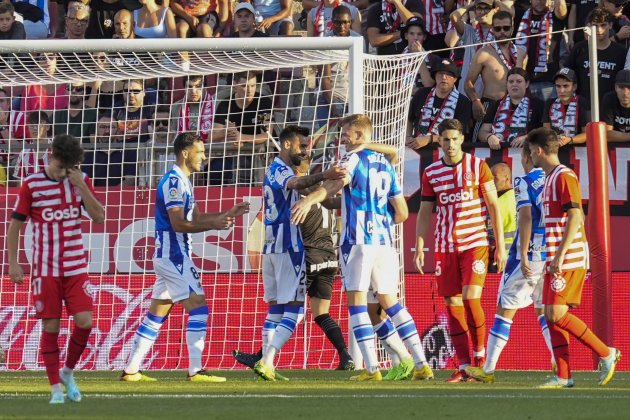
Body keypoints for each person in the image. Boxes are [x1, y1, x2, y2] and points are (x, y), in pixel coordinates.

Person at [291, 114, 434, 382]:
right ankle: (421, 363)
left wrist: (309, 200)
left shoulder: (352, 158)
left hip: (357, 241)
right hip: (384, 242)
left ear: (360, 136)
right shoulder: (386, 165)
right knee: (389, 302)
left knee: (356, 303)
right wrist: (373, 216)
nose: (342, 139)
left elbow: (333, 185)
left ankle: (371, 370)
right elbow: (402, 213)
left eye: (346, 134)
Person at [121, 132, 250, 382]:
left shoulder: (184, 180)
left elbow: (196, 218)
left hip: (171, 255)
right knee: (199, 308)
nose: (204, 156)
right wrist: (214, 226)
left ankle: (131, 370)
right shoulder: (173, 182)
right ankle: (195, 370)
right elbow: (179, 224)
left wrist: (225, 214)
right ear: (185, 153)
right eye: (200, 152)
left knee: (156, 315)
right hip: (174, 255)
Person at [233, 156, 355, 372]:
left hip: (307, 255)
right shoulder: (322, 191)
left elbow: (290, 220)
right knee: (321, 314)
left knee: (288, 308)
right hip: (328, 258)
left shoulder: (298, 193)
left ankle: (263, 358)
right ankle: (346, 355)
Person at [8, 134, 105, 403]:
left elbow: (99, 217)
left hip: (75, 267)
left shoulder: (80, 180)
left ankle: (68, 371)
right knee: (51, 327)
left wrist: (82, 188)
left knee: (85, 323)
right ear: (52, 157)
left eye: (70, 168)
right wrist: (14, 263)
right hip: (45, 270)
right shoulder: (32, 184)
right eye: (62, 167)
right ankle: (54, 390)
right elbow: (15, 226)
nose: (65, 173)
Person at [524, 127, 621, 388]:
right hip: (553, 256)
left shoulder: (564, 176)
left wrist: (561, 254)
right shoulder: (549, 178)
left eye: (531, 151)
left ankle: (606, 352)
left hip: (567, 257)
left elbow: (576, 216)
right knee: (550, 313)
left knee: (556, 313)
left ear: (540, 150)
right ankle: (564, 375)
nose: (530, 156)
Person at [251, 125, 347, 381]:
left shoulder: (272, 169)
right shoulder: (282, 171)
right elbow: (298, 182)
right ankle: (267, 361)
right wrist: (325, 174)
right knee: (295, 310)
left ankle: (264, 361)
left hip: (271, 248)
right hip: (289, 249)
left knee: (276, 309)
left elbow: (320, 196)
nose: (306, 151)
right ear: (286, 145)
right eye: (302, 146)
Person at [414, 118, 506, 383]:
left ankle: (479, 360)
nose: (450, 144)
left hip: (475, 243)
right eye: (445, 139)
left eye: (455, 139)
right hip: (445, 247)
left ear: (462, 139)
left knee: (470, 299)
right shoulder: (431, 172)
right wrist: (420, 246)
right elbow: (424, 213)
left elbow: (493, 207)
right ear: (440, 141)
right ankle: (464, 366)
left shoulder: (478, 167)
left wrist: (499, 246)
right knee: (452, 304)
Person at [466, 142, 556, 383]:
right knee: (543, 311)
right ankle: (558, 360)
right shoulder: (556, 178)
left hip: (523, 258)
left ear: (528, 157)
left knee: (504, 312)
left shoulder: (522, 184)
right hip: (549, 253)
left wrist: (520, 253)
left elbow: (524, 219)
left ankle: (488, 369)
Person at [465, 10, 527, 139]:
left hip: (514, 106)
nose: (502, 32)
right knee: (480, 143)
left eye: (506, 28)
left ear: (512, 28)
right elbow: (468, 83)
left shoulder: (521, 54)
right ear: (492, 29)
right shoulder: (483, 53)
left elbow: (524, 82)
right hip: (489, 105)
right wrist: (475, 100)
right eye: (498, 29)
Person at [214, 71, 273, 185]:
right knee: (217, 168)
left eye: (253, 85)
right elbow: (212, 137)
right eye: (244, 86)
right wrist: (226, 132)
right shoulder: (225, 104)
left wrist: (242, 137)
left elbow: (267, 135)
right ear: (235, 85)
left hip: (259, 151)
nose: (249, 90)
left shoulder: (263, 102)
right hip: (233, 152)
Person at [447, 0, 514, 95]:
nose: (482, 12)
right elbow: (453, 17)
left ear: (495, 10)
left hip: (490, 94)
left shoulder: (500, 31)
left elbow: (510, 15)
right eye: (479, 8)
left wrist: (495, 2)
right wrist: (471, 5)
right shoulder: (470, 31)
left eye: (487, 8)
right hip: (468, 92)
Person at [407, 58, 473, 149]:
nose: (444, 77)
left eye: (449, 75)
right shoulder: (422, 94)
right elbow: (409, 119)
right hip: (416, 148)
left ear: (455, 79)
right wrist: (408, 137)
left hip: (446, 151)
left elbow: (459, 135)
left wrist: (429, 139)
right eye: (441, 73)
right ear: (434, 76)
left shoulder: (463, 102)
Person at [565, 7, 627, 103]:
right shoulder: (579, 48)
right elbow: (567, 74)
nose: (599, 30)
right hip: (583, 105)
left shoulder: (621, 51)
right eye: (595, 26)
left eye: (603, 25)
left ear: (610, 25)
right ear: (589, 26)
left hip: (610, 106)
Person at [315, 5, 361, 129]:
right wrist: (333, 108)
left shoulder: (358, 39)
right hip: (330, 98)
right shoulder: (326, 42)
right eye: (337, 22)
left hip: (353, 97)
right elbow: (325, 78)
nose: (341, 26)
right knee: (327, 141)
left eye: (345, 22)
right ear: (332, 22)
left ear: (350, 22)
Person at [514, 0, 568, 102]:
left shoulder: (554, 17)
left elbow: (562, 11)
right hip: (528, 83)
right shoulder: (522, 16)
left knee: (548, 117)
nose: (540, 1)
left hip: (550, 82)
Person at [478, 67, 544, 148]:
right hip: (499, 154)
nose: (514, 84)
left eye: (519, 81)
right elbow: (482, 132)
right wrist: (488, 137)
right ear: (507, 84)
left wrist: (529, 137)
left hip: (527, 154)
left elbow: (546, 131)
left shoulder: (538, 104)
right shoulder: (496, 105)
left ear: (526, 84)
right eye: (511, 81)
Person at [82, 112, 137, 186]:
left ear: (117, 130)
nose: (107, 131)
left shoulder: (128, 152)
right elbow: (86, 182)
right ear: (96, 130)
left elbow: (130, 179)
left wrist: (113, 194)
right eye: (103, 127)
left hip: (120, 195)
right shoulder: (88, 155)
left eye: (112, 127)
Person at [542, 68, 590, 146]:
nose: (561, 90)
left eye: (566, 86)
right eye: (558, 86)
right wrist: (554, 138)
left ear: (574, 87)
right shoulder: (549, 103)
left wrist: (570, 139)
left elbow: (587, 134)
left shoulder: (583, 103)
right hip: (554, 149)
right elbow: (546, 132)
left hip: (578, 152)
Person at [487, 163, 516, 273]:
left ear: (506, 177)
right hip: (519, 258)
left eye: (494, 176)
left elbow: (490, 236)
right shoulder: (521, 197)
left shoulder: (496, 203)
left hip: (498, 259)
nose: (490, 180)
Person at [13, 111, 52, 181]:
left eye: (38, 124)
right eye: (31, 125)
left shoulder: (57, 150)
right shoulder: (24, 153)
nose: (34, 128)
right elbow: (20, 182)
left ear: (47, 127)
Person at [602, 68, 630, 141]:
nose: (625, 93)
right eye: (621, 87)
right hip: (614, 147)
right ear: (615, 87)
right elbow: (606, 134)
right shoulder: (609, 99)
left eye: (629, 88)